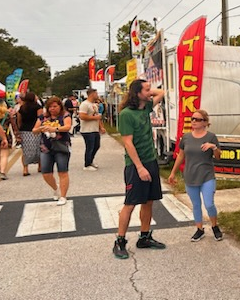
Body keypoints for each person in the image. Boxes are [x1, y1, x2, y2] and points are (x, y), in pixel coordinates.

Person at [113, 79, 166, 259]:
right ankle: (120, 241)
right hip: (136, 165)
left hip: (150, 161)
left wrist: (148, 92)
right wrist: (140, 167)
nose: (150, 91)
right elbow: (128, 143)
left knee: (149, 201)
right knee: (130, 204)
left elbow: (162, 93)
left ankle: (144, 237)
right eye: (146, 89)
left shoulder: (145, 108)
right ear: (137, 93)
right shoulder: (127, 114)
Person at [168, 109, 223, 241]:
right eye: (192, 119)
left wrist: (213, 147)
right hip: (190, 176)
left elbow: (218, 157)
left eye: (197, 119)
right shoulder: (186, 137)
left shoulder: (211, 137)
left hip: (207, 176)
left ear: (205, 122)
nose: (193, 121)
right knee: (196, 204)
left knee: (209, 204)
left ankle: (215, 226)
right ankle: (199, 229)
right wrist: (173, 173)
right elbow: (181, 155)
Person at [32, 97, 72, 205]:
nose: (52, 109)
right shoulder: (43, 117)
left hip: (61, 145)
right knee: (46, 172)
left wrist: (55, 129)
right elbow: (34, 130)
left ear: (60, 106)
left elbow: (68, 126)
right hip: (46, 147)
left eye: (55, 106)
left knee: (62, 171)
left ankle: (63, 196)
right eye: (50, 107)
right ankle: (56, 188)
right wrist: (42, 128)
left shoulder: (65, 115)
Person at [16, 91, 43, 176]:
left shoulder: (22, 108)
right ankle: (40, 166)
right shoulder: (38, 107)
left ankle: (25, 169)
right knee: (39, 148)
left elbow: (19, 120)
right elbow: (40, 118)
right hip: (36, 129)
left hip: (24, 130)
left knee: (25, 150)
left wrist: (19, 129)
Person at [79, 88, 106, 170]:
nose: (97, 95)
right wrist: (94, 118)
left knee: (96, 145)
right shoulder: (84, 104)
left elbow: (98, 117)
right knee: (89, 147)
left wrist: (101, 127)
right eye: (96, 93)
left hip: (95, 129)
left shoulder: (94, 105)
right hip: (87, 130)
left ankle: (90, 160)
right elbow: (82, 116)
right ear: (92, 94)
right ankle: (87, 164)